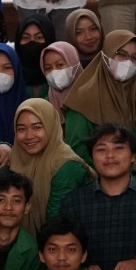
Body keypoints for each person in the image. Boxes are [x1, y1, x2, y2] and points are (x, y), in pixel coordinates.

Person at [59, 124, 136, 270]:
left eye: (118, 148)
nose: (110, 155)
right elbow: (62, 250)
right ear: (92, 157)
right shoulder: (74, 203)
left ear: (133, 156)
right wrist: (82, 268)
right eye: (101, 150)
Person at [62, 30, 136, 164]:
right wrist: (125, 165)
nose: (128, 62)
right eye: (121, 54)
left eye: (135, 57)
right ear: (106, 54)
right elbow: (77, 150)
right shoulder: (83, 96)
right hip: (97, 172)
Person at [8, 99, 89, 232]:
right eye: (21, 129)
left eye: (37, 127)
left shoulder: (67, 165)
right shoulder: (15, 157)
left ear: (51, 126)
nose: (29, 136)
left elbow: (55, 221)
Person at [14, 15, 56, 98]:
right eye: (26, 37)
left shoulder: (59, 72)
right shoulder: (12, 74)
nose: (32, 42)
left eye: (39, 37)